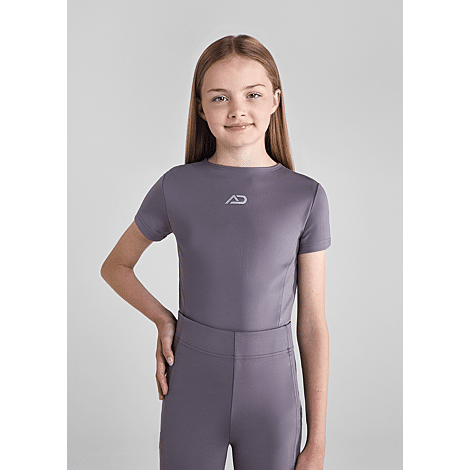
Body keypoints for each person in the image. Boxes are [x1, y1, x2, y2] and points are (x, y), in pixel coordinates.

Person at [101, 34, 331, 470]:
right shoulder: (176, 186)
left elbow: (313, 323)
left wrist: (316, 441)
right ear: (201, 108)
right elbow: (116, 266)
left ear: (275, 100)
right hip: (192, 384)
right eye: (220, 97)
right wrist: (163, 319)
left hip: (273, 398)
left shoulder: (306, 197)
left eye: (252, 94)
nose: (237, 109)